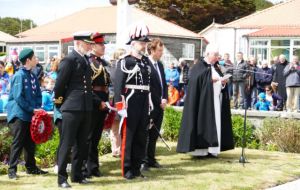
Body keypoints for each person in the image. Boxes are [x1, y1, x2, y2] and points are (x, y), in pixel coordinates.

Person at [54, 32, 99, 188]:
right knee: (66, 145)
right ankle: (61, 178)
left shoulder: (85, 60)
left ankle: (77, 175)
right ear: (79, 43)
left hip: (85, 108)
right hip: (72, 108)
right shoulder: (69, 60)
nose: (90, 46)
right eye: (88, 44)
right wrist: (60, 104)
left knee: (82, 144)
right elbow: (59, 86)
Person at [176, 46, 234, 158]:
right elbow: (196, 80)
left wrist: (222, 82)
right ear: (208, 54)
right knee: (202, 123)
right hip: (202, 103)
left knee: (215, 123)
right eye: (215, 55)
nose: (217, 58)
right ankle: (200, 151)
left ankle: (212, 149)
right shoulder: (199, 66)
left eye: (218, 55)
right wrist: (212, 80)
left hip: (214, 101)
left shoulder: (215, 67)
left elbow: (217, 82)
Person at [114, 22, 151, 180]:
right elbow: (118, 86)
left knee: (141, 136)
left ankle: (136, 168)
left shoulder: (145, 61)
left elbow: (148, 84)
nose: (144, 45)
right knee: (128, 136)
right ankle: (127, 169)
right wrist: (120, 105)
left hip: (143, 100)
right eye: (141, 43)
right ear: (133, 43)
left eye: (145, 43)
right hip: (130, 100)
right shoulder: (125, 61)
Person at [6, 48, 48, 180]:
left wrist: (37, 107)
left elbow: (38, 94)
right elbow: (18, 97)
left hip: (30, 114)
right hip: (19, 115)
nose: (37, 59)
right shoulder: (19, 75)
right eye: (34, 57)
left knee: (30, 143)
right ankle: (12, 170)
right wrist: (32, 109)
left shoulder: (32, 75)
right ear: (28, 60)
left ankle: (31, 168)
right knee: (18, 142)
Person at [85, 32, 111, 178]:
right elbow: (88, 87)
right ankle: (87, 168)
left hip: (103, 101)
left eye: (103, 44)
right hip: (93, 103)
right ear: (93, 46)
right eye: (101, 44)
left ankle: (94, 167)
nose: (103, 46)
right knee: (89, 138)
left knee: (96, 138)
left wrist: (107, 101)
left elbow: (106, 85)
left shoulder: (102, 63)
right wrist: (98, 102)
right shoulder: (89, 62)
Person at [141, 38, 168, 172]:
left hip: (160, 105)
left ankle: (151, 158)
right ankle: (144, 160)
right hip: (150, 104)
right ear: (151, 50)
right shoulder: (145, 64)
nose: (161, 53)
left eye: (162, 50)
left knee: (154, 135)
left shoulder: (160, 65)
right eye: (159, 50)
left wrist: (165, 98)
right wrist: (158, 101)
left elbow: (163, 84)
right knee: (146, 133)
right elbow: (149, 87)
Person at [109, 48, 126, 157]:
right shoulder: (114, 68)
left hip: (117, 99)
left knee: (116, 126)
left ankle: (117, 148)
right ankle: (116, 149)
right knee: (115, 125)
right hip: (115, 100)